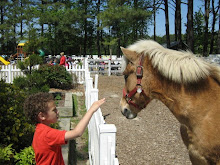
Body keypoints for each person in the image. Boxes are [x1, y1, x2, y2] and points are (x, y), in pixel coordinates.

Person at [23, 92, 105, 165]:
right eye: (54, 110)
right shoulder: (47, 134)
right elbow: (77, 132)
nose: (57, 112)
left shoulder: (39, 130)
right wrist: (91, 110)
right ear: (42, 116)